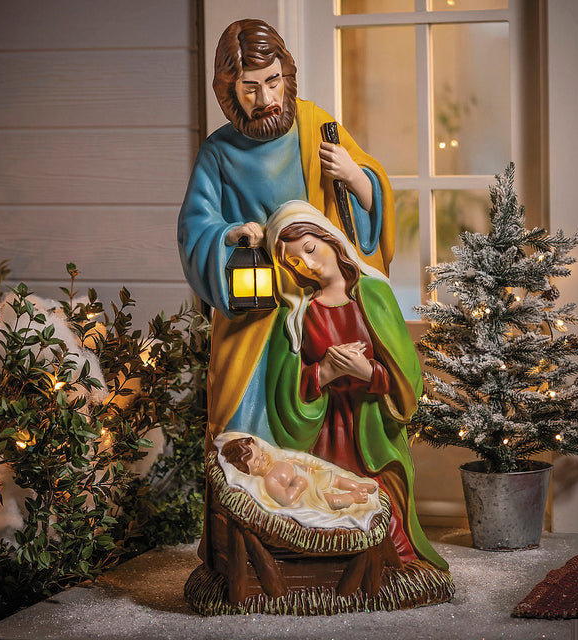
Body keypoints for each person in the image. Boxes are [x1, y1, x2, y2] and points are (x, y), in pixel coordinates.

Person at [176, 19, 397, 451]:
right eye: (250, 88)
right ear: (229, 91)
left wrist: (354, 176)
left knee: (336, 433)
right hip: (257, 312)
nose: (266, 99)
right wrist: (230, 235)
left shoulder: (316, 125)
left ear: (287, 76)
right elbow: (194, 229)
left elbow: (369, 208)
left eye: (273, 81)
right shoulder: (217, 153)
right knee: (244, 438)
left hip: (322, 306)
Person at [263, 200, 448, 571]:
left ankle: (394, 568)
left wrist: (369, 372)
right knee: (327, 504)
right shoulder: (297, 313)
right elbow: (284, 387)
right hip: (325, 430)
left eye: (310, 249)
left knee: (380, 507)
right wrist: (324, 373)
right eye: (295, 262)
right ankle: (338, 571)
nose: (308, 265)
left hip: (371, 424)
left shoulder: (374, 293)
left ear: (330, 239)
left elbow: (407, 375)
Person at [220, 435, 377, 510]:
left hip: (314, 478)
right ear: (249, 472)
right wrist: (297, 487)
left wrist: (303, 467)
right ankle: (353, 497)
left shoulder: (276, 463)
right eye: (257, 462)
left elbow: (292, 464)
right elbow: (286, 499)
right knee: (332, 500)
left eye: (261, 454)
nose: (263, 459)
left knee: (336, 479)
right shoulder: (270, 482)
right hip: (309, 494)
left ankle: (358, 486)